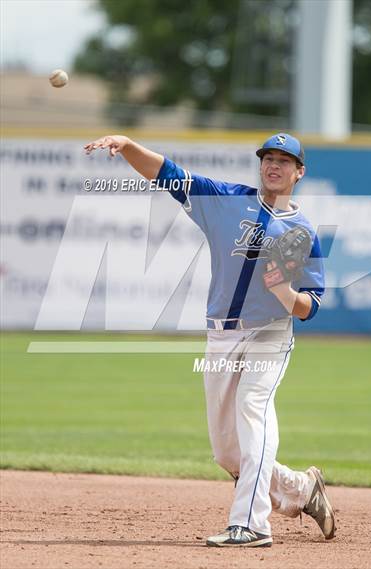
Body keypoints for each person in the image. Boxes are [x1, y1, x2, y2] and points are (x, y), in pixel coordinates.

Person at [84, 132, 336, 547]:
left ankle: (251, 524)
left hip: (269, 333)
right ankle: (301, 489)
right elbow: (167, 174)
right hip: (221, 333)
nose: (274, 165)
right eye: (268, 158)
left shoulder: (302, 231)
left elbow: (311, 305)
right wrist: (128, 146)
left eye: (285, 160)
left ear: (299, 172)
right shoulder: (226, 200)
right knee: (227, 452)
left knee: (253, 409)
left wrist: (284, 293)